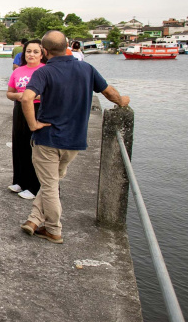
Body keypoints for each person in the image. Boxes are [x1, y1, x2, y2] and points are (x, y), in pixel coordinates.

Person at [20, 30, 130, 244]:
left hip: (48, 139)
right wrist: (121, 101)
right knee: (51, 182)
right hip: (74, 141)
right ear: (67, 45)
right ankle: (34, 219)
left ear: (44, 51)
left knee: (50, 185)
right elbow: (108, 92)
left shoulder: (44, 72)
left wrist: (33, 124)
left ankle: (53, 229)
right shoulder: (86, 68)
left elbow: (26, 98)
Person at [6, 39, 47, 200]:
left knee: (35, 148)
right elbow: (9, 93)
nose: (31, 54)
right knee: (19, 144)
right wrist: (20, 96)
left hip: (38, 109)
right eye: (28, 51)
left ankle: (34, 186)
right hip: (19, 110)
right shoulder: (18, 71)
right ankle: (19, 181)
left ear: (42, 53)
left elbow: (51, 93)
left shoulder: (45, 70)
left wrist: (31, 96)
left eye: (36, 51)